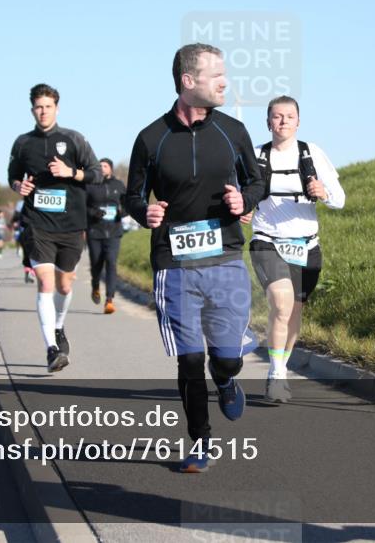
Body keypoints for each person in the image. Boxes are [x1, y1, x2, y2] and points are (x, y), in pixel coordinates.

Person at [125, 43, 265, 473]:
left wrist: (244, 199)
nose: (226, 82)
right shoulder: (151, 139)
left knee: (227, 356)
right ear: (188, 82)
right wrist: (142, 211)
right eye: (216, 74)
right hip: (174, 262)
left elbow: (258, 182)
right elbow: (131, 194)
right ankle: (200, 441)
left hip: (224, 257)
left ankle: (225, 378)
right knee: (189, 359)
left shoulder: (233, 132)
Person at [241, 96, 345, 402]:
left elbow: (340, 199)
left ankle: (281, 367)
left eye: (289, 116)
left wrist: (323, 192)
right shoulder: (255, 156)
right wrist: (242, 209)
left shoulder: (312, 154)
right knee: (282, 303)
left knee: (295, 310)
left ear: (298, 121)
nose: (283, 121)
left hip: (306, 245)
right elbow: (237, 196)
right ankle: (275, 373)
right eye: (277, 116)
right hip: (267, 240)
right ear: (268, 122)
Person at [8, 83, 102, 372]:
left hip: (71, 225)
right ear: (32, 110)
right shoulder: (23, 143)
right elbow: (12, 176)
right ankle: (51, 348)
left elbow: (96, 174)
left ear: (56, 109)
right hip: (38, 224)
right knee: (46, 283)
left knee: (64, 284)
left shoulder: (74, 139)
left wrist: (70, 172)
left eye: (48, 106)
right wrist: (18, 186)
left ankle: (59, 327)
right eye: (38, 107)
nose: (43, 111)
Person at [85, 157, 127, 314]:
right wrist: (94, 212)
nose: (102, 168)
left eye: (105, 165)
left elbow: (128, 204)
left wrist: (121, 212)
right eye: (100, 166)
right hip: (95, 231)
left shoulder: (119, 185)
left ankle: (109, 299)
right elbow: (83, 206)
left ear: (111, 168)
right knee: (96, 263)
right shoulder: (90, 185)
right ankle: (95, 285)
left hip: (114, 231)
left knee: (111, 262)